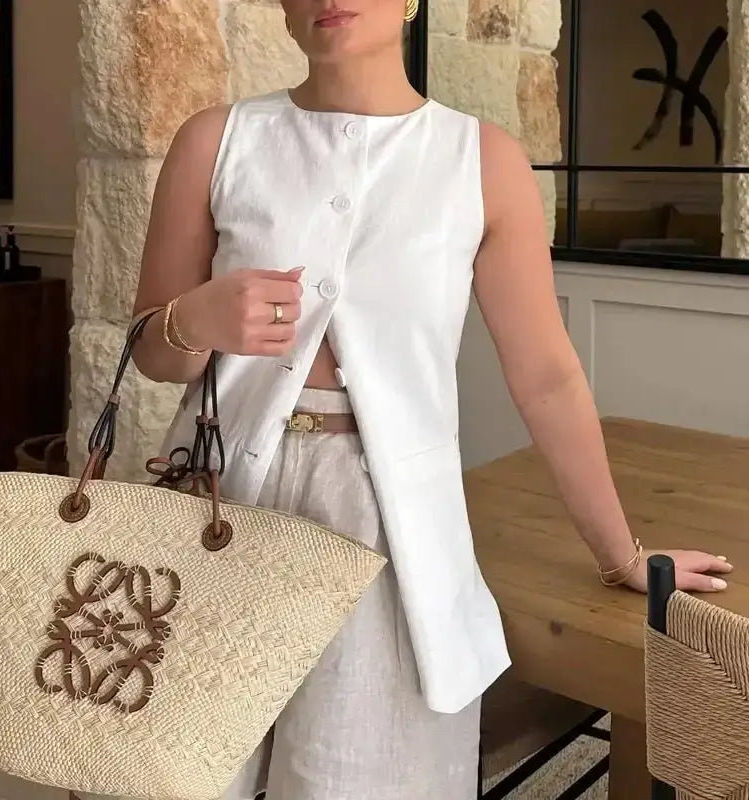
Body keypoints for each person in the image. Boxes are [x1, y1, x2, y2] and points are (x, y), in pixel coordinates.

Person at [120, 1, 733, 798]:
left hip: (389, 525)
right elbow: (152, 353)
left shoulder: (479, 159)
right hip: (222, 499)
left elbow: (545, 375)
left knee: (363, 776)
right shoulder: (217, 139)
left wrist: (621, 554)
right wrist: (193, 320)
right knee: (189, 771)